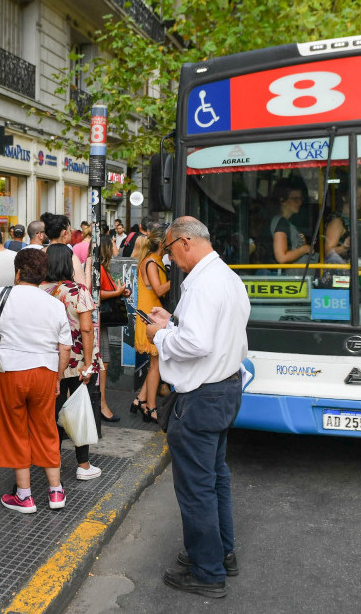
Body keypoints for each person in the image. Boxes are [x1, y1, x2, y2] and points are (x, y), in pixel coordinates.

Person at [145, 217, 249, 599]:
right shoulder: (227, 277)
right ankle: (221, 553)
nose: (170, 258)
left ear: (185, 242)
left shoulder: (204, 284)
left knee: (196, 487)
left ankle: (208, 571)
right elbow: (212, 334)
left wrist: (160, 335)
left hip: (202, 396)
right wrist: (172, 322)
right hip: (224, 388)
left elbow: (197, 342)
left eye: (170, 250)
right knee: (215, 476)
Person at [0, 249, 72, 514]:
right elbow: (65, 348)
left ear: (18, 272)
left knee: (15, 430)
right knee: (46, 428)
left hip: (9, 371)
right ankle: (56, 492)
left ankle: (24, 496)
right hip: (45, 371)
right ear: (43, 274)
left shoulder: (1, 296)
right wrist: (57, 377)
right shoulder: (55, 304)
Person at [40, 244, 102, 481]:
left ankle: (51, 460)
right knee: (80, 410)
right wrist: (89, 364)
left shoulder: (39, 290)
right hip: (77, 360)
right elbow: (86, 328)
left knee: (52, 412)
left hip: (51, 360)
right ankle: (83, 465)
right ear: (67, 264)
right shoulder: (77, 291)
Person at [132, 223, 170, 422]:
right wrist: (181, 277)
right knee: (156, 365)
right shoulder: (152, 262)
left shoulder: (152, 260)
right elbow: (159, 290)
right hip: (151, 317)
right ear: (163, 243)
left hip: (151, 316)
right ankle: (150, 407)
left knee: (155, 364)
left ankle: (140, 400)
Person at [97, 234, 130, 422]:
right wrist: (116, 293)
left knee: (104, 362)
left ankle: (101, 403)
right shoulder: (99, 268)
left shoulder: (103, 268)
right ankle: (101, 404)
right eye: (114, 243)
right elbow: (96, 293)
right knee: (103, 362)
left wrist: (119, 292)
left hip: (102, 321)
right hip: (100, 321)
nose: (117, 245)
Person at [40, 212, 89, 286]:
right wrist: (88, 266)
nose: (71, 233)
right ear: (64, 233)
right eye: (70, 230)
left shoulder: (40, 253)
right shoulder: (70, 255)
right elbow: (83, 287)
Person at [271, 184, 313, 265]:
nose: (299, 202)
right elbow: (282, 257)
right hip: (282, 275)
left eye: (301, 199)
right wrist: (304, 249)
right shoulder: (281, 223)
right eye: (295, 199)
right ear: (283, 201)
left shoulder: (286, 222)